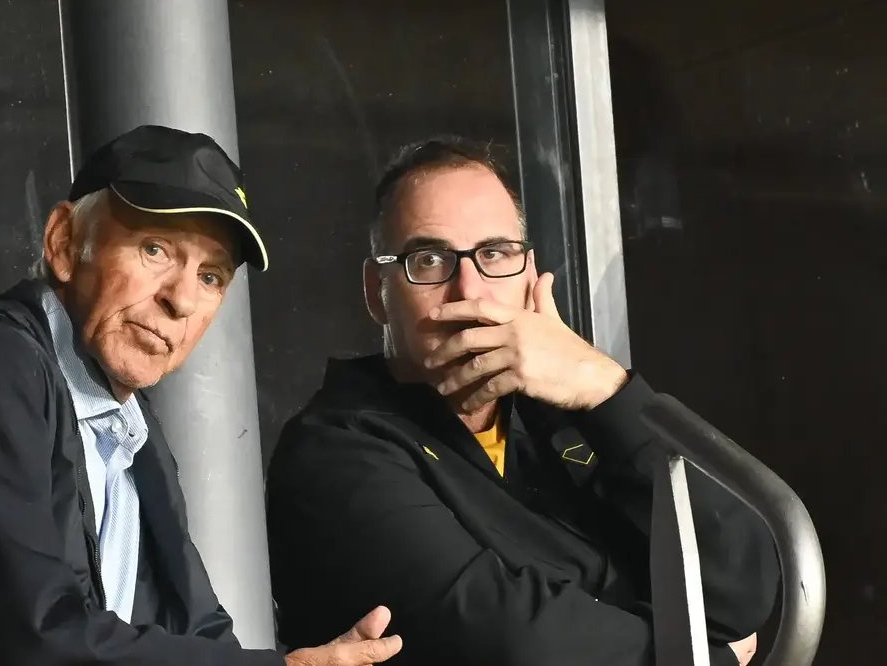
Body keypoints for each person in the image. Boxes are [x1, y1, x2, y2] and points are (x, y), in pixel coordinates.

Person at [0, 125, 401, 666]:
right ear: (62, 243)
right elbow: (37, 638)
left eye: (211, 276)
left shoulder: (130, 429)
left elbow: (199, 633)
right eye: (155, 249)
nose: (181, 300)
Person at [265, 136, 777, 666]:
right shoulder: (334, 453)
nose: (470, 290)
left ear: (530, 277)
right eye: (430, 259)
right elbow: (514, 644)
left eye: (494, 254)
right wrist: (709, 659)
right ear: (377, 291)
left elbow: (744, 583)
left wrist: (605, 387)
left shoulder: (564, 411)